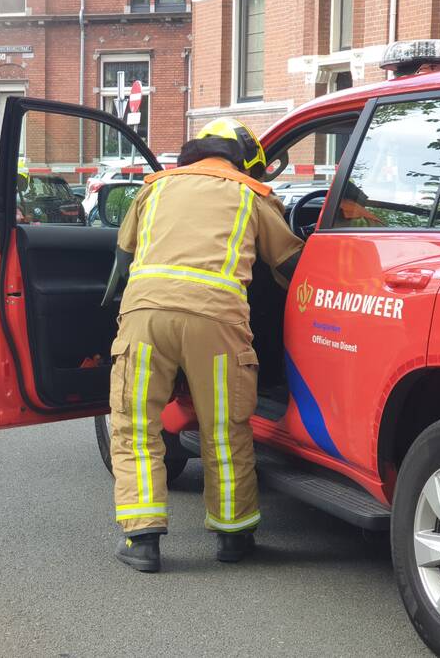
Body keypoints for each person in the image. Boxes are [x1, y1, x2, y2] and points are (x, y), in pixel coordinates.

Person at [109, 117, 304, 572]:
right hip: (217, 323)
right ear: (243, 161)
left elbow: (122, 259)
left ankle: (143, 542)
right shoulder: (253, 196)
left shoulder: (154, 188)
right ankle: (233, 537)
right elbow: (292, 265)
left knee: (136, 426)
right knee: (225, 429)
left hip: (146, 318)